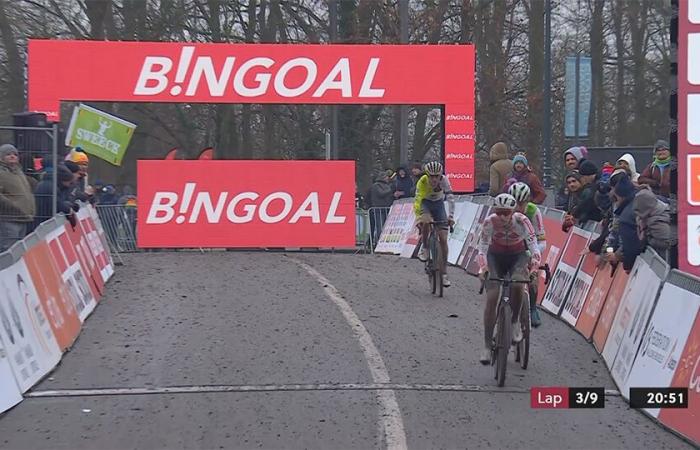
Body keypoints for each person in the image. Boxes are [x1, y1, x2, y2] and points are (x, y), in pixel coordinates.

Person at [476, 193, 541, 364]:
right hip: (495, 257)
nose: (503, 217)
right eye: (500, 212)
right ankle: (486, 346)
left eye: (507, 213)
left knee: (519, 283)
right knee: (491, 297)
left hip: (517, 256)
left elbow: (534, 247)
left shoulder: (522, 221)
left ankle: (514, 323)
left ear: (513, 212)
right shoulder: (490, 221)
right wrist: (483, 268)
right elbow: (482, 248)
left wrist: (534, 268)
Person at [508, 182, 546, 328]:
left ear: (528, 200)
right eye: (514, 202)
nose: (518, 207)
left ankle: (533, 307)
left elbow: (542, 242)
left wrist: (531, 254)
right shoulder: (504, 209)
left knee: (532, 275)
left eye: (522, 202)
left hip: (530, 245)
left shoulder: (533, 211)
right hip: (510, 244)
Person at [414, 161, 455, 287]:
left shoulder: (445, 181)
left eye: (436, 176)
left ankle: (444, 273)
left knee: (443, 239)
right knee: (426, 221)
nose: (434, 179)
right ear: (427, 175)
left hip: (438, 204)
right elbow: (417, 201)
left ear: (440, 176)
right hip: (425, 203)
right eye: (431, 176)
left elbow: (451, 199)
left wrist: (451, 216)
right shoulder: (422, 181)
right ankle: (425, 247)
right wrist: (419, 218)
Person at [0, 144, 35, 252]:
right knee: (9, 250)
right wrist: (12, 205)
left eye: (15, 154)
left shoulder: (19, 172)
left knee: (18, 251)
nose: (12, 156)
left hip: (22, 217)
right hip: (9, 219)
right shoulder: (1, 173)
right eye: (8, 154)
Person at [606, 174, 642, 273]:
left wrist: (627, 265)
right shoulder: (644, 198)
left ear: (619, 196)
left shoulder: (625, 217)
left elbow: (630, 244)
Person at [33, 164, 78, 229]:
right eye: (69, 182)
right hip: (42, 222)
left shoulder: (47, 184)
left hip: (40, 220)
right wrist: (69, 210)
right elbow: (57, 204)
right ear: (63, 180)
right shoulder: (52, 188)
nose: (69, 185)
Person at [634, 188, 671, 261]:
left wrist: (648, 237)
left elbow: (667, 242)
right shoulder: (661, 207)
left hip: (665, 257)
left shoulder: (657, 221)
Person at [568, 160, 603, 225]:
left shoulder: (597, 185)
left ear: (587, 175)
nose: (583, 180)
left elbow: (588, 201)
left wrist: (575, 214)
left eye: (583, 177)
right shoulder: (597, 183)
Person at [365, 171, 395, 246]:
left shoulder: (386, 185)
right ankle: (379, 242)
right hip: (378, 209)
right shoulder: (376, 185)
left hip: (386, 208)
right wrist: (390, 190)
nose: (387, 178)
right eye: (385, 177)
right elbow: (381, 193)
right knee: (379, 226)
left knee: (384, 226)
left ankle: (383, 241)